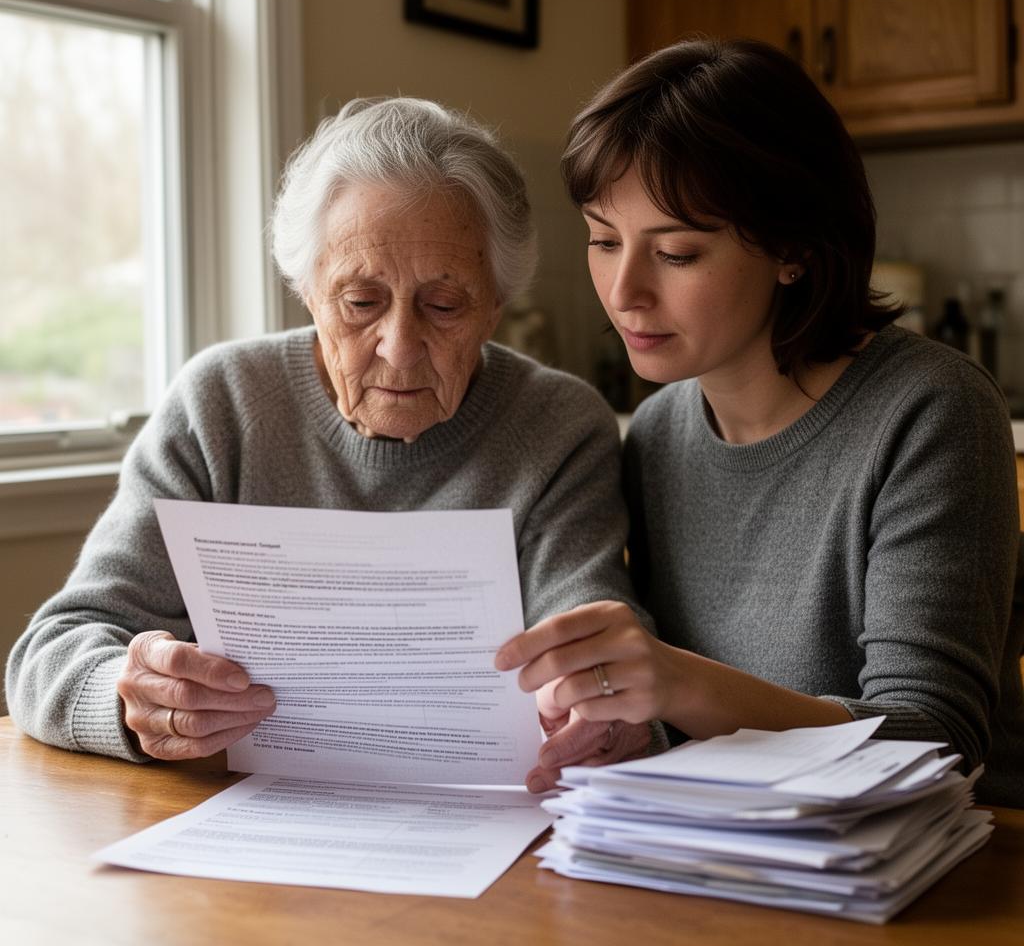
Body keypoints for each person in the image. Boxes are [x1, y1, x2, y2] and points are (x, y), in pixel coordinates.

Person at [6, 97, 652, 775]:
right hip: (241, 826)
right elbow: (50, 651)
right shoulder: (221, 405)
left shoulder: (556, 427)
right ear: (309, 291)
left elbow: (598, 651)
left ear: (496, 304)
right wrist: (131, 697)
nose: (400, 349)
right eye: (361, 302)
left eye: (443, 304)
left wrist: (600, 714)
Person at [496, 39, 1024, 806]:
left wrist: (673, 682)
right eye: (604, 241)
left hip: (943, 867)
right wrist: (620, 724)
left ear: (794, 250)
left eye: (675, 252)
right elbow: (688, 729)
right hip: (739, 847)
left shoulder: (931, 413)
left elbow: (935, 741)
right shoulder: (659, 432)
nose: (624, 291)